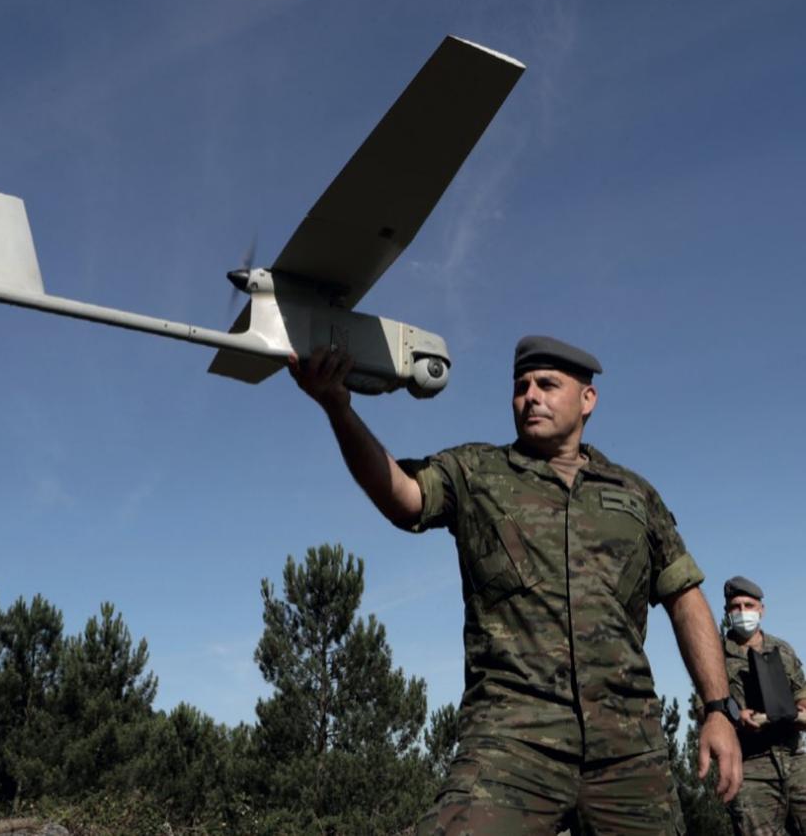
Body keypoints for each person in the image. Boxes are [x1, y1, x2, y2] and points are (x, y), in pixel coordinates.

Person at [289, 334, 742, 834]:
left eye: (547, 384)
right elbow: (403, 496)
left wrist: (717, 710)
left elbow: (684, 597)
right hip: (510, 740)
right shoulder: (477, 472)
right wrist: (339, 409)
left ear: (587, 399)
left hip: (628, 747)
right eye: (521, 386)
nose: (530, 396)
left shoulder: (635, 495)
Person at [722, 576, 806, 835]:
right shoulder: (715, 655)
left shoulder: (782, 649)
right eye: (736, 607)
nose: (743, 612)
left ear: (762, 609)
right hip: (750, 768)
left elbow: (801, 691)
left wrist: (801, 709)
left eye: (749, 605)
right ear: (727, 612)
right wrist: (736, 716)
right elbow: (706, 708)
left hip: (796, 760)